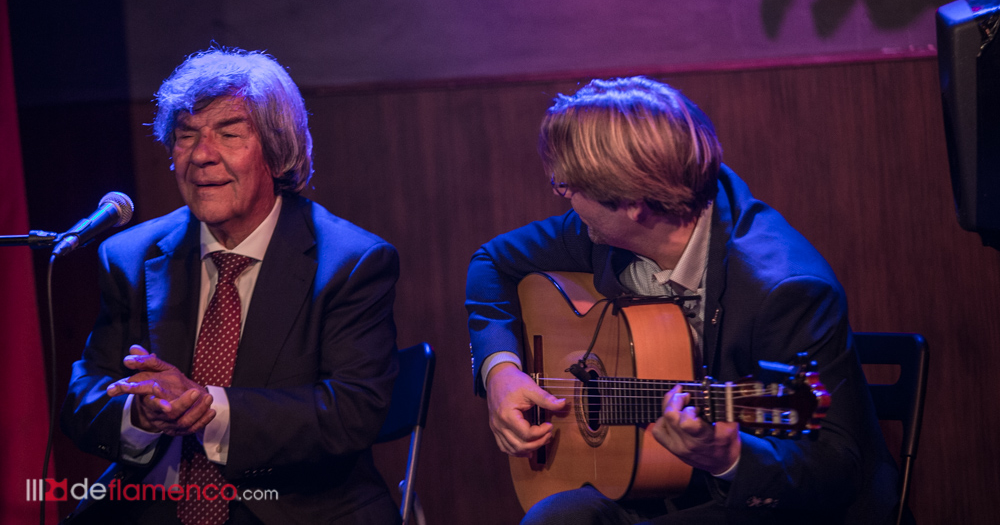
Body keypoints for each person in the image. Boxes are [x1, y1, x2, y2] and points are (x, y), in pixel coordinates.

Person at [465, 77, 898, 524]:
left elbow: (839, 467)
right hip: (656, 488)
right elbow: (490, 263)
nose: (564, 197)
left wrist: (730, 455)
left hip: (768, 505)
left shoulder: (786, 289)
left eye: (568, 186)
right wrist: (500, 369)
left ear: (634, 203)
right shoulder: (604, 232)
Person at [61, 47, 401, 524]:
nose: (202, 155)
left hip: (297, 508)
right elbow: (84, 399)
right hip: (154, 506)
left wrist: (207, 408)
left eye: (229, 134)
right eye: (186, 136)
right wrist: (140, 417)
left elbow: (351, 413)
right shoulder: (130, 255)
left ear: (278, 152)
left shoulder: (351, 262)